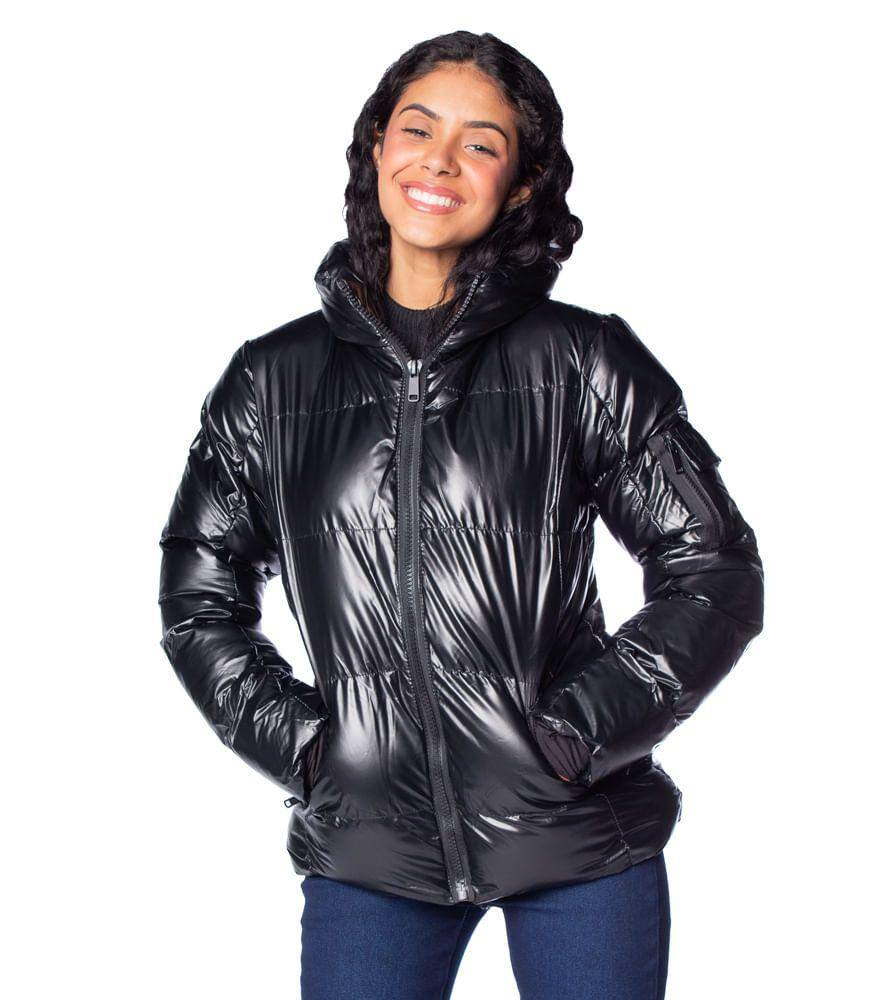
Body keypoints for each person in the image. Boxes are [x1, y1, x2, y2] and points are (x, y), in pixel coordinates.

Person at [157, 30, 765, 1000]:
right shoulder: (272, 381)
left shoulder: (582, 362)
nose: (439, 160)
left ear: (519, 186)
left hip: (577, 839)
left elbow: (713, 569)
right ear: (376, 149)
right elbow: (198, 597)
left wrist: (577, 733)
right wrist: (309, 748)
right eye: (417, 129)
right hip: (369, 851)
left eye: (480, 143)